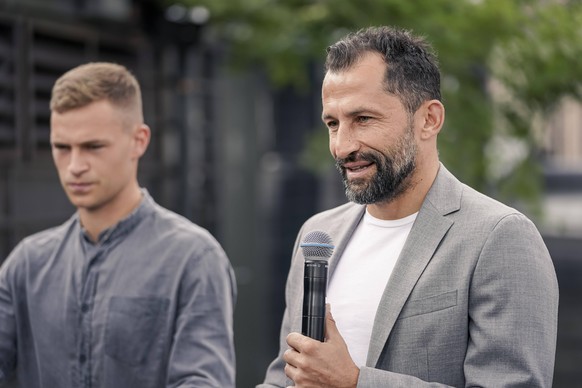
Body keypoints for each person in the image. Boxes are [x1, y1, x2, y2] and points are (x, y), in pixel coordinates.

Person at [258, 26, 559, 387]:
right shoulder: (318, 236)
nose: (342, 146)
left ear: (429, 119)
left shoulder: (500, 237)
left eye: (363, 119)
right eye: (332, 123)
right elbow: (285, 377)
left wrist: (355, 382)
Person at [0, 62, 236, 387]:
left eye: (93, 146)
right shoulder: (27, 264)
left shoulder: (193, 258)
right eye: (61, 147)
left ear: (139, 140)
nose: (74, 166)